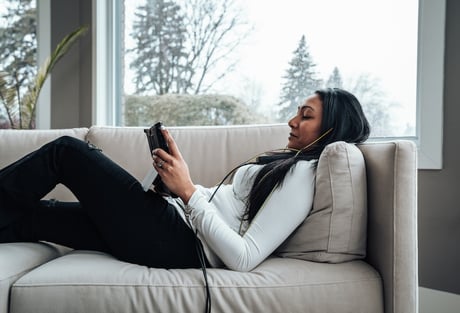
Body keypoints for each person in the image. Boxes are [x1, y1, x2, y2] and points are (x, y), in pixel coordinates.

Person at [0, 88, 370, 272]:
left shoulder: (305, 174)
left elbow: (244, 258)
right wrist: (174, 186)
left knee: (67, 152)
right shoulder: (288, 162)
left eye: (305, 116)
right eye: (297, 112)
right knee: (40, 216)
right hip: (169, 221)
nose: (292, 121)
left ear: (332, 128)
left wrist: (189, 191)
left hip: (176, 239)